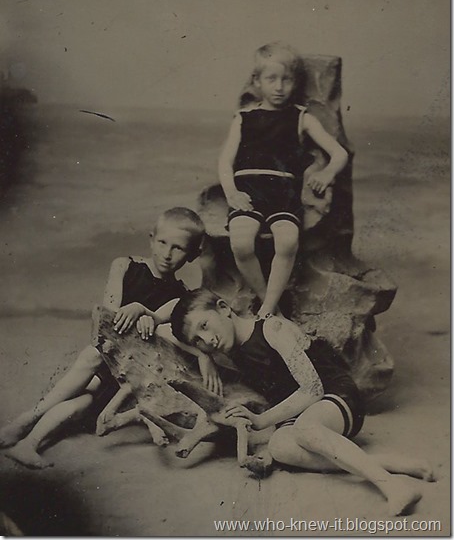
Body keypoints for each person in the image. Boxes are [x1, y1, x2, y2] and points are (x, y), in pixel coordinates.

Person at [170, 288, 435, 517]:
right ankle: (384, 463)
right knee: (280, 447)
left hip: (335, 395)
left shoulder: (272, 328)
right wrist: (203, 356)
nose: (207, 340)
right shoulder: (230, 350)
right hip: (300, 414)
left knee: (305, 429)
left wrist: (261, 420)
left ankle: (392, 486)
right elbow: (167, 328)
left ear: (223, 308)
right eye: (197, 341)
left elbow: (313, 389)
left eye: (204, 326)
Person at [0, 208, 221, 469]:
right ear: (151, 239)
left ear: (193, 254)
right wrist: (140, 314)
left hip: (133, 374)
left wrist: (199, 352)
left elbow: (172, 337)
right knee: (93, 356)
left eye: (178, 248)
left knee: (81, 405)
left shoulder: (180, 296)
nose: (167, 254)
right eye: (162, 243)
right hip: (106, 357)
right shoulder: (125, 266)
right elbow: (109, 320)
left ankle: (28, 444)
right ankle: (26, 421)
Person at [218, 42, 349, 319]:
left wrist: (326, 174)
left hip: (282, 193)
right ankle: (268, 302)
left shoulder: (301, 117)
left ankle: (267, 307)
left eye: (287, 79)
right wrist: (231, 193)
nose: (279, 87)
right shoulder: (243, 118)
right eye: (271, 79)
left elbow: (339, 153)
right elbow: (225, 162)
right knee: (241, 243)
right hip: (248, 190)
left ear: (295, 82)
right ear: (257, 81)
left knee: (288, 241)